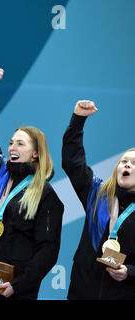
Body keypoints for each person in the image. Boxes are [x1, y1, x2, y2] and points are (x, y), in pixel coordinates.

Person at [0, 68, 64, 299]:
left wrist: (19, 284)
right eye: (11, 142)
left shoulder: (46, 195)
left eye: (20, 144)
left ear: (35, 154)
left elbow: (48, 250)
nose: (12, 148)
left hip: (15, 290)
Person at [62, 100, 135, 299]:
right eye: (123, 162)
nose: (126, 165)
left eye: (133, 163)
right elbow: (73, 162)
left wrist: (130, 271)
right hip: (82, 292)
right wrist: (78, 120)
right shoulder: (98, 194)